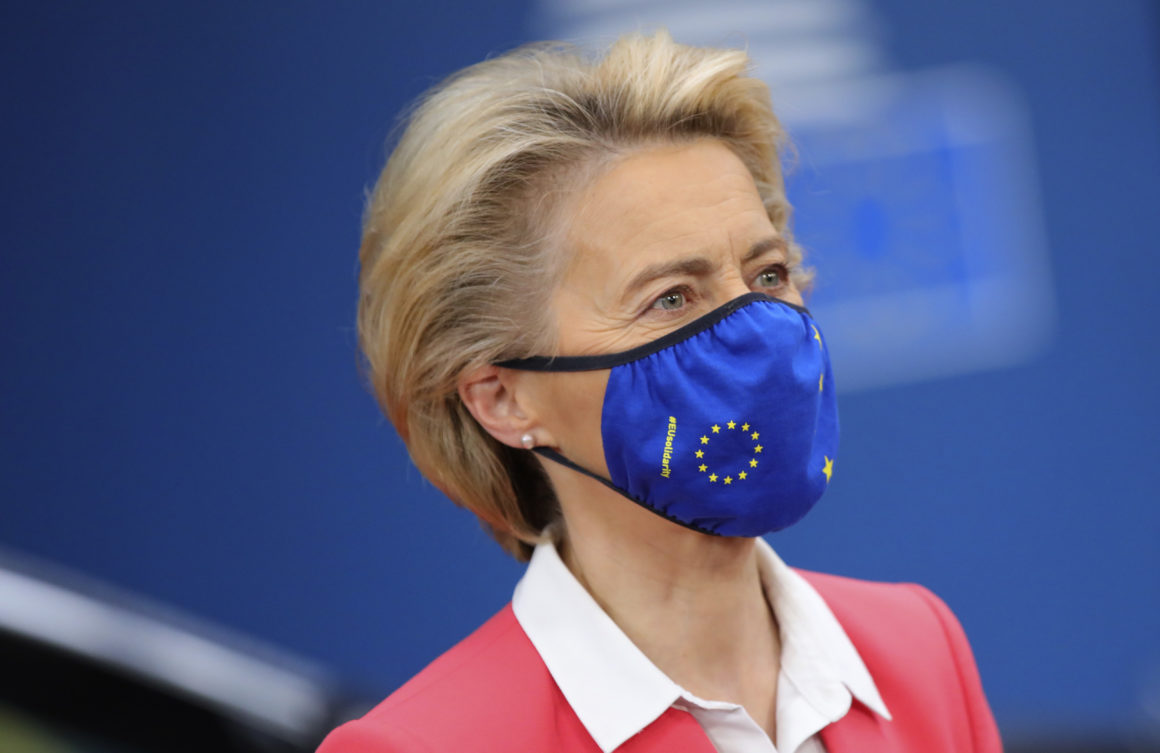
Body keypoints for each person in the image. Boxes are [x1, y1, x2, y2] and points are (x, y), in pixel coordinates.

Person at [319, 29, 1002, 753]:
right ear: (503, 399)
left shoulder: (919, 650)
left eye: (769, 275)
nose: (758, 333)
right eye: (672, 297)